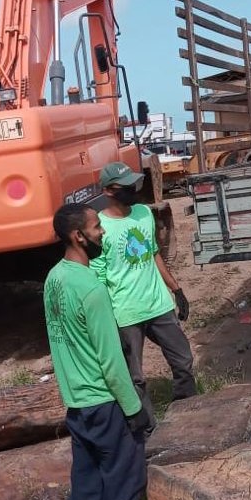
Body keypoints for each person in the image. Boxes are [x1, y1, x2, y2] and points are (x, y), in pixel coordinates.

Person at [44, 202, 150, 500]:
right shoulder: (92, 289)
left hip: (76, 401)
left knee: (86, 471)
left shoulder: (54, 280)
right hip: (104, 400)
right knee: (121, 469)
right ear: (78, 236)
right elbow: (111, 360)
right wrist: (133, 407)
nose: (102, 233)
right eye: (96, 228)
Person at [91, 162, 196, 430]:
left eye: (133, 184)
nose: (132, 190)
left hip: (158, 304)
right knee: (134, 377)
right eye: (125, 186)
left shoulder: (143, 213)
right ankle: (147, 429)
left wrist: (176, 289)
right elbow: (98, 277)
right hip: (125, 313)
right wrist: (105, 319)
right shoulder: (99, 227)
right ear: (108, 191)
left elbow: (153, 254)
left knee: (183, 360)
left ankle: (187, 414)